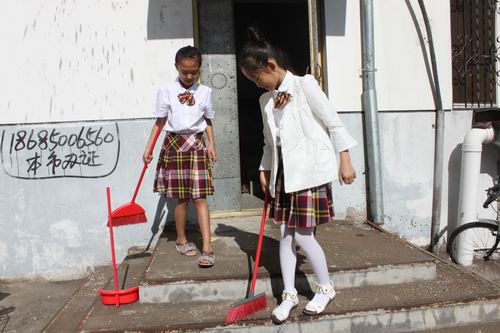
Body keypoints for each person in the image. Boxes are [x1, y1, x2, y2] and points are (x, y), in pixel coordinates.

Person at [238, 28, 357, 324]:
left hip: (309, 173)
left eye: (256, 78)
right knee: (284, 235)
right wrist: (264, 169)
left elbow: (333, 123)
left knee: (303, 235)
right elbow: (270, 142)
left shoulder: (305, 86)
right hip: (284, 175)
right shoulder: (266, 102)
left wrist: (345, 160)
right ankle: (289, 294)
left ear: (272, 66)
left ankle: (326, 287)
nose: (256, 84)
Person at [143, 46, 217, 267]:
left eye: (193, 71)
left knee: (200, 197)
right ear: (177, 67)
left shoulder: (205, 92)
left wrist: (212, 144)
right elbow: (160, 121)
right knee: (182, 198)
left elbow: (209, 120)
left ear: (199, 69)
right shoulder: (166, 91)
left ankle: (207, 247)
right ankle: (182, 239)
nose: (189, 76)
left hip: (197, 144)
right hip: (174, 144)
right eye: (184, 71)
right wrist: (149, 148)